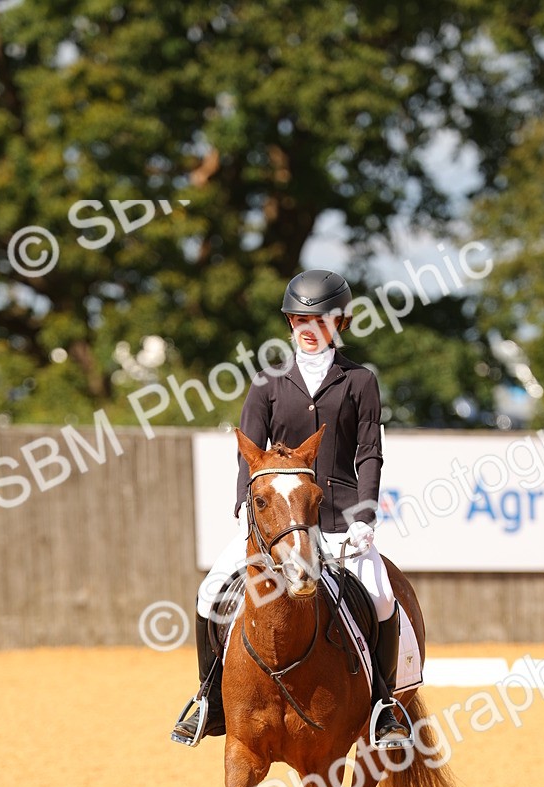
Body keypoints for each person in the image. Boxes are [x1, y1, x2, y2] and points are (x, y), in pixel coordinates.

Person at [171, 268, 412, 748]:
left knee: (383, 599)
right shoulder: (267, 383)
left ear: (337, 323)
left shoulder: (360, 380)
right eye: (298, 317)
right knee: (209, 592)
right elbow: (250, 452)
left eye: (317, 319)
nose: (306, 327)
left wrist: (365, 516)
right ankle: (208, 699)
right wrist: (246, 503)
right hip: (278, 523)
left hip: (341, 515)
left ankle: (384, 704)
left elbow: (369, 452)